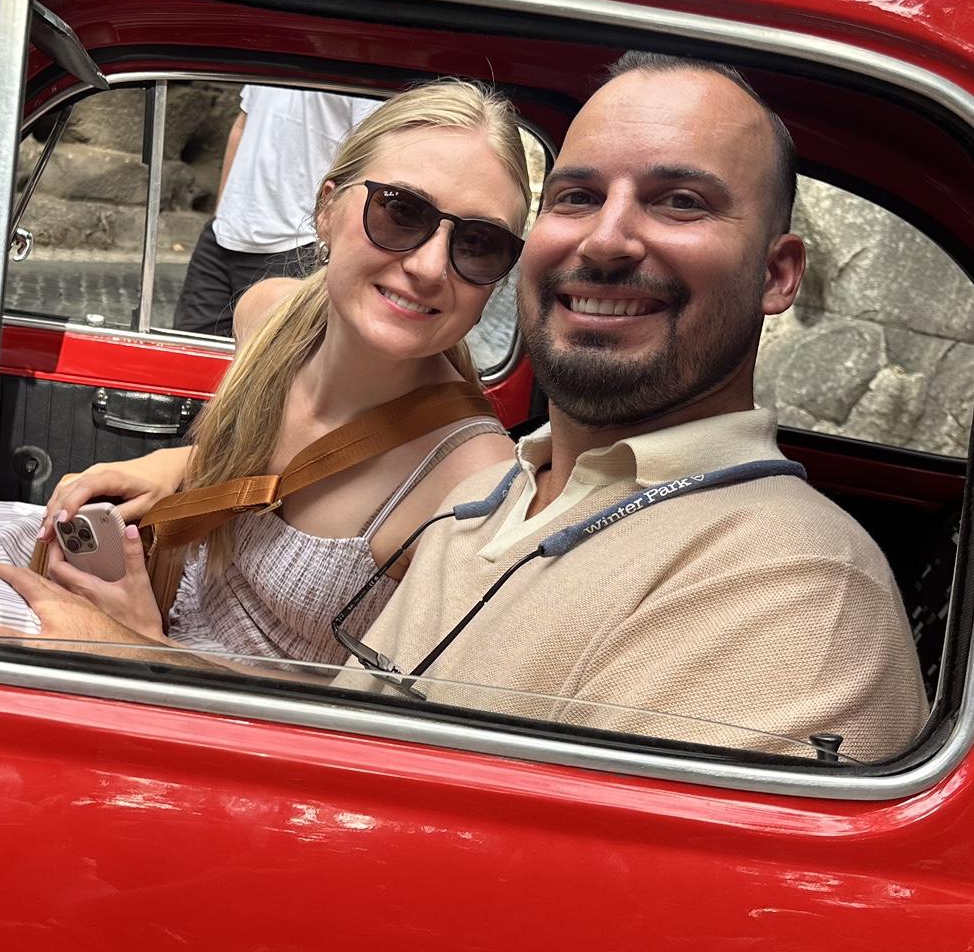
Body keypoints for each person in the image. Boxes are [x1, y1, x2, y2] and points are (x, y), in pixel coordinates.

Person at [338, 52, 927, 763]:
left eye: (680, 200)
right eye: (577, 197)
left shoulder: (797, 589)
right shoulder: (489, 492)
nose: (606, 239)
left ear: (777, 275)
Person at [0, 80, 533, 664]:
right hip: (161, 599)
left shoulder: (471, 487)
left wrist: (144, 648)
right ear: (326, 209)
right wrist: (172, 464)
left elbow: (397, 717)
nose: (431, 266)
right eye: (402, 211)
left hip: (216, 708)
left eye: (479, 244)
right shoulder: (272, 317)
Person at [172, 85, 382, 336]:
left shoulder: (356, 65)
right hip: (222, 236)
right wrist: (222, 209)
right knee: (190, 352)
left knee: (275, 366)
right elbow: (242, 124)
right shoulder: (272, 51)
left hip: (297, 244)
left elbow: (370, 155)